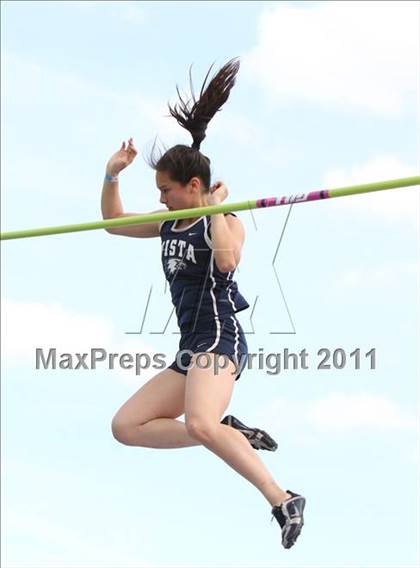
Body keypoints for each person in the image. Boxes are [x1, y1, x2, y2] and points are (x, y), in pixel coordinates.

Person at [100, 57, 305, 549]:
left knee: (197, 422)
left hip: (220, 338)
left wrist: (216, 207)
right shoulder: (167, 222)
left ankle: (282, 499)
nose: (163, 198)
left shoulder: (224, 217)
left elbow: (230, 260)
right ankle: (225, 429)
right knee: (127, 426)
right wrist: (111, 177)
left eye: (167, 190)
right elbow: (112, 223)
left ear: (194, 186)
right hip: (191, 347)